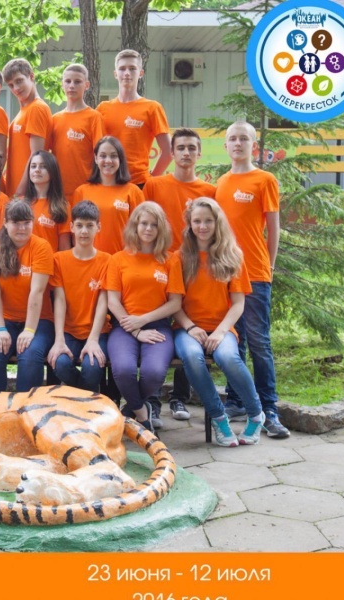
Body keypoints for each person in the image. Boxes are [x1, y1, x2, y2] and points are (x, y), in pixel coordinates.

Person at [216, 121, 290, 439]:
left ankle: (269, 410)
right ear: (226, 145)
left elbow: (273, 228)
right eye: (232, 139)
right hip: (225, 274)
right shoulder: (221, 183)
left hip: (255, 272)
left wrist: (269, 267)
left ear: (253, 145)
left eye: (244, 138)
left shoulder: (265, 180)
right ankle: (236, 401)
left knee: (259, 342)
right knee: (236, 340)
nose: (238, 143)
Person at [173, 198, 265, 446]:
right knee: (192, 356)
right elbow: (174, 305)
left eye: (208, 221)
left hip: (222, 328)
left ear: (217, 223)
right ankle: (218, 417)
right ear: (190, 224)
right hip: (186, 328)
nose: (202, 226)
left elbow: (238, 304)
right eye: (197, 221)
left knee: (228, 357)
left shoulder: (232, 256)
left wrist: (220, 332)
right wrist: (191, 327)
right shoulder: (179, 257)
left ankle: (257, 414)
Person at [143, 127, 217, 423]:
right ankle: (152, 400)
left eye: (191, 148)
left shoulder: (209, 191)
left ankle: (179, 397)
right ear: (171, 153)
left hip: (193, 266)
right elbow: (143, 223)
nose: (186, 153)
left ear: (199, 153)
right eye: (181, 148)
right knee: (159, 326)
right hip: (159, 266)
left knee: (190, 325)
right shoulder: (154, 185)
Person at [104, 201, 184, 433]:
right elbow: (112, 301)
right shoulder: (118, 259)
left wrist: (144, 320)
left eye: (154, 225)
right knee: (123, 369)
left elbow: (175, 303)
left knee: (154, 372)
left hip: (158, 325)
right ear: (135, 226)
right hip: (124, 324)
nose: (148, 229)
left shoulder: (170, 260)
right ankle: (141, 413)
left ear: (161, 229)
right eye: (144, 224)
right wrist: (136, 329)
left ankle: (128, 410)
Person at [0, 199, 55, 392]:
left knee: (30, 356)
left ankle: (25, 406)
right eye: (16, 222)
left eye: (26, 223)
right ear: (5, 223)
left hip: (39, 320)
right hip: (4, 318)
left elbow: (37, 292)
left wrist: (29, 330)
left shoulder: (41, 247)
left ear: (33, 223)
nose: (22, 228)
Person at [47, 201, 111, 392]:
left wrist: (93, 339)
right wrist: (59, 339)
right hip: (68, 331)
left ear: (98, 227)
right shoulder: (59, 259)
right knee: (59, 363)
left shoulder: (107, 260)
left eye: (90, 225)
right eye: (80, 225)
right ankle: (89, 397)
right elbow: (59, 300)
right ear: (72, 227)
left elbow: (103, 302)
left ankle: (81, 399)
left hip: (98, 331)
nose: (84, 231)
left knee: (92, 367)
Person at [97, 49, 171, 188]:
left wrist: (151, 180)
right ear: (115, 74)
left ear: (141, 73)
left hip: (139, 183)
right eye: (122, 69)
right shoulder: (102, 108)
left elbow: (168, 151)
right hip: (108, 183)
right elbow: (94, 149)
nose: (127, 73)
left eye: (132, 68)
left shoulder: (152, 108)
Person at [72, 136, 144, 255]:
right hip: (90, 260)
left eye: (113, 156)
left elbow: (140, 232)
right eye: (103, 156)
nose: (108, 160)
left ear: (120, 159)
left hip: (122, 260)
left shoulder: (133, 192)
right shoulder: (81, 192)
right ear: (96, 158)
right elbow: (75, 234)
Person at [48, 63, 104, 198]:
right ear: (62, 84)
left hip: (85, 191)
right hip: (58, 192)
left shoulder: (94, 117)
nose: (72, 85)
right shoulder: (54, 119)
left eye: (77, 82)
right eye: (68, 81)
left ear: (87, 85)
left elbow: (101, 155)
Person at [3, 58, 51, 196]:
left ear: (31, 76)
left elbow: (36, 156)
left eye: (19, 81)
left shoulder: (37, 108)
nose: (16, 88)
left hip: (27, 193)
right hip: (15, 189)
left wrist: (20, 192)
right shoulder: (24, 110)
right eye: (11, 85)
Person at [19, 150, 71, 251]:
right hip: (23, 260)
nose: (37, 170)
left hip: (49, 260)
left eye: (43, 166)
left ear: (52, 172)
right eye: (33, 166)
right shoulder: (20, 204)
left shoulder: (62, 206)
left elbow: (64, 248)